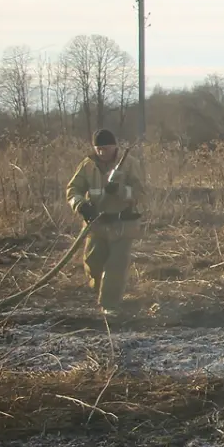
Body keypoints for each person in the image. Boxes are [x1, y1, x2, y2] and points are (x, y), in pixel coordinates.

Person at [65, 128, 146, 315]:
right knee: (93, 263)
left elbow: (141, 194)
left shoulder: (130, 164)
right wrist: (81, 205)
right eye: (98, 149)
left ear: (114, 147)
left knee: (116, 265)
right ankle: (104, 292)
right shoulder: (87, 165)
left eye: (106, 148)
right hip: (96, 224)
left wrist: (119, 190)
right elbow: (73, 189)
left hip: (123, 224)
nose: (102, 153)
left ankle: (109, 305)